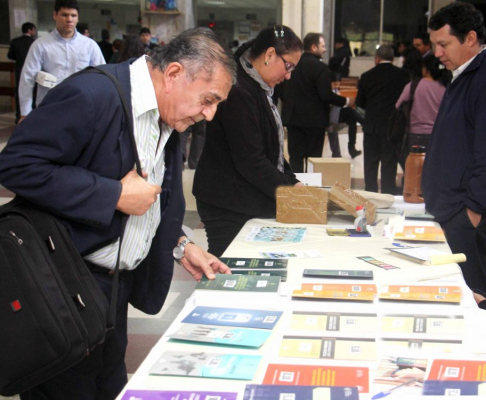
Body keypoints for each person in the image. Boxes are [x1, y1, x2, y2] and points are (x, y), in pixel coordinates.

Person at [0, 27, 236, 399]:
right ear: (173, 74)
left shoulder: (169, 114)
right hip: (64, 287)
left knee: (109, 386)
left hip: (112, 293)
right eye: (209, 99)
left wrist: (179, 243)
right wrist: (112, 194)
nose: (209, 114)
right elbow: (17, 165)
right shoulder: (92, 95)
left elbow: (153, 196)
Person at [193, 26, 304, 257]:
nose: (288, 75)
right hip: (227, 200)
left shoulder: (257, 86)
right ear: (270, 54)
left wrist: (292, 181)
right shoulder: (238, 90)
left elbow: (269, 149)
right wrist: (290, 189)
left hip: (242, 195)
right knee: (228, 267)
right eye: (288, 66)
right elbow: (250, 160)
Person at [422, 2, 486, 307]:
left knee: (475, 301)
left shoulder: (482, 79)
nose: (437, 53)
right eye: (435, 44)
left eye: (444, 44)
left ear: (470, 38)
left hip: (468, 217)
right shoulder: (463, 75)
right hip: (453, 213)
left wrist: (472, 212)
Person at [279, 32, 355, 172]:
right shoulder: (321, 69)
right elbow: (325, 95)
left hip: (293, 119)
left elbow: (280, 89)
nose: (325, 49)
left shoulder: (290, 65)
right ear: (314, 47)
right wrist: (346, 101)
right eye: (323, 46)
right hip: (315, 122)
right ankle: (310, 191)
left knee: (295, 158)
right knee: (313, 160)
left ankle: (297, 190)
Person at [18, 0, 105, 120]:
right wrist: (25, 112)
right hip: (48, 108)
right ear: (55, 15)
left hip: (81, 108)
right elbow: (27, 78)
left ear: (78, 18)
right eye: (64, 15)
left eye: (73, 15)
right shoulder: (40, 45)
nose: (69, 19)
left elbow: (102, 78)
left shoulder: (90, 46)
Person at [356, 44, 410, 194]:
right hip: (392, 126)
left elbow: (360, 102)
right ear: (393, 59)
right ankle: (388, 194)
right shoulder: (403, 76)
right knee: (389, 163)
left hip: (372, 126)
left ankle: (370, 194)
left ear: (377, 58)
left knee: (371, 163)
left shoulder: (367, 76)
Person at [396, 54, 449, 170]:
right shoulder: (444, 88)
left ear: (426, 69)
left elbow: (398, 105)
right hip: (436, 136)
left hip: (413, 135)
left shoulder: (414, 85)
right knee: (432, 170)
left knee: (412, 171)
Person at [7, 22, 36, 124]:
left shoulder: (15, 41)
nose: (34, 32)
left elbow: (10, 56)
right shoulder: (34, 42)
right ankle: (32, 115)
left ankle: (19, 115)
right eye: (33, 30)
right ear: (29, 30)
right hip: (33, 71)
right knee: (32, 92)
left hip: (19, 69)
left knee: (19, 91)